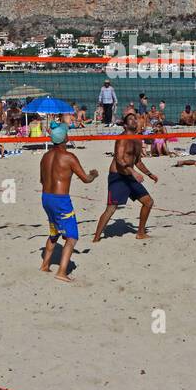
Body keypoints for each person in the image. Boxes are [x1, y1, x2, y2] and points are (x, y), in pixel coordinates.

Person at [38, 121, 98, 283]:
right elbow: (86, 179)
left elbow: (42, 180)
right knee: (72, 237)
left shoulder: (45, 157)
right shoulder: (69, 157)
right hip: (60, 200)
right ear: (65, 137)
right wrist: (94, 174)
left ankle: (45, 265)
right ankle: (62, 272)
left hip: (46, 198)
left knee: (54, 232)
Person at [92, 112, 158, 241]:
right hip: (118, 176)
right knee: (111, 208)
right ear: (125, 125)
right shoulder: (122, 138)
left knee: (148, 202)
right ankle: (96, 238)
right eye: (130, 119)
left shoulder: (138, 140)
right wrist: (133, 172)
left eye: (135, 119)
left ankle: (140, 233)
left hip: (129, 176)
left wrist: (150, 174)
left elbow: (138, 161)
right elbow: (119, 159)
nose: (134, 121)